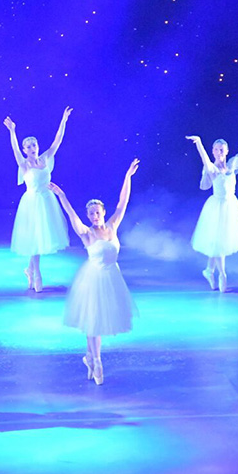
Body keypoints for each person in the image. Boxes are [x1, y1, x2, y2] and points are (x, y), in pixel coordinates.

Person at [48, 159, 140, 385]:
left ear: (103, 212)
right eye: (91, 213)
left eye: (97, 212)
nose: (94, 216)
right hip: (93, 279)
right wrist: (62, 196)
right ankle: (97, 361)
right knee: (93, 321)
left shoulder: (113, 226)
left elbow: (123, 203)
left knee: (98, 320)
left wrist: (127, 177)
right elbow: (71, 215)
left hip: (112, 278)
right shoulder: (86, 233)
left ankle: (90, 358)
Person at [185, 119, 238, 292]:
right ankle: (222, 274)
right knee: (219, 242)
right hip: (216, 207)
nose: (219, 152)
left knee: (219, 241)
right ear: (213, 151)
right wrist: (199, 142)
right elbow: (203, 158)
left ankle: (209, 270)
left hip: (231, 206)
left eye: (221, 149)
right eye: (216, 149)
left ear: (226, 151)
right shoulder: (212, 169)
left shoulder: (232, 165)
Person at [3, 107, 72, 292]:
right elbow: (14, 148)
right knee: (35, 238)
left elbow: (58, 140)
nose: (32, 148)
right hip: (32, 203)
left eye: (34, 145)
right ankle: (37, 273)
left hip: (47, 200)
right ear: (25, 150)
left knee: (39, 238)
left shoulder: (46, 158)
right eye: (28, 146)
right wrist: (12, 131)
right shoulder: (24, 164)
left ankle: (30, 270)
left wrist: (63, 120)